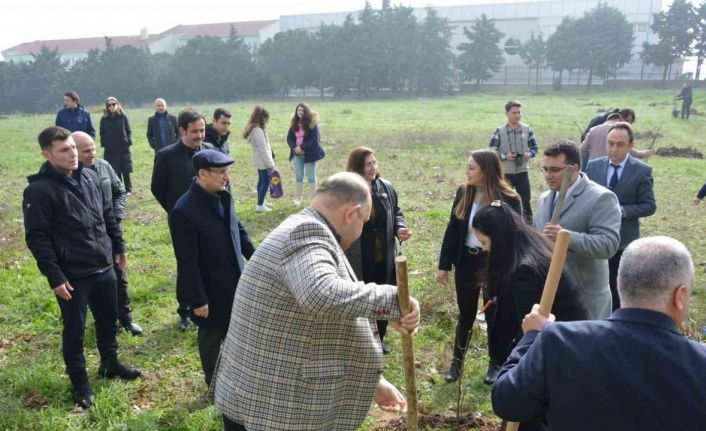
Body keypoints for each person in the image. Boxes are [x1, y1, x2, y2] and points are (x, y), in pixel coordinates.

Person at [213, 172, 421, 431]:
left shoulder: (302, 228)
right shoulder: (307, 233)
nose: (362, 230)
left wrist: (373, 383)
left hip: (262, 397)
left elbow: (310, 325)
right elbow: (321, 295)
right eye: (364, 221)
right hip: (274, 409)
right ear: (351, 214)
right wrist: (395, 300)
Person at [492, 236, 706, 430]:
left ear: (619, 283)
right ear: (680, 295)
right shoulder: (699, 363)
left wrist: (531, 337)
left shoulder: (560, 341)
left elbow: (507, 402)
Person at [23, 127, 140, 409]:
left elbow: (107, 215)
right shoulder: (38, 191)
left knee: (108, 320)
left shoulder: (89, 176)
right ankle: (80, 383)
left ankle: (110, 364)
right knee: (75, 331)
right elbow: (37, 237)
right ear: (47, 154)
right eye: (64, 150)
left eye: (73, 148)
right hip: (72, 275)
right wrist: (55, 276)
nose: (73, 154)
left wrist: (118, 245)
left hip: (103, 264)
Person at [168, 149, 255, 386]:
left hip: (234, 278)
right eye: (221, 172)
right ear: (202, 174)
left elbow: (239, 230)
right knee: (211, 335)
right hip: (209, 287)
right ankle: (213, 382)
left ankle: (235, 373)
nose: (226, 177)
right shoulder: (184, 211)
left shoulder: (224, 195)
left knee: (235, 328)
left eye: (227, 171)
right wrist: (198, 299)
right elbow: (186, 261)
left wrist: (255, 258)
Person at [437, 150, 522, 384]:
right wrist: (444, 265)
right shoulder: (464, 192)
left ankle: (496, 363)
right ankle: (456, 364)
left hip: (494, 263)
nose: (468, 171)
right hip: (467, 260)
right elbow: (453, 229)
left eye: (472, 167)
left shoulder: (509, 198)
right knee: (466, 314)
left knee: (495, 314)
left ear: (486, 171)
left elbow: (517, 234)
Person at [534, 141, 621, 319]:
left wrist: (566, 237)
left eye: (555, 170)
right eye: (545, 169)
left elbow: (608, 245)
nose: (548, 176)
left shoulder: (601, 198)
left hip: (585, 299)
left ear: (573, 168)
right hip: (550, 298)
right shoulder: (543, 199)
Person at [72, 131, 143, 336]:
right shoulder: (70, 175)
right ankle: (100, 317)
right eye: (86, 151)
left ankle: (126, 318)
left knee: (119, 274)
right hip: (84, 238)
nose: (91, 153)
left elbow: (119, 191)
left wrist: (116, 215)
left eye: (93, 148)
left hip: (110, 230)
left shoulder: (104, 166)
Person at [344, 146, 412, 354]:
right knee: (363, 298)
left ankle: (380, 337)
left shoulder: (386, 187)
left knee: (383, 294)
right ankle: (362, 341)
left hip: (384, 256)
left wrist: (399, 228)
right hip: (359, 258)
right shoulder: (348, 192)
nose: (373, 168)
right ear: (358, 167)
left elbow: (396, 211)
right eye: (368, 164)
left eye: (375, 162)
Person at [151, 109, 214, 330]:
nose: (199, 135)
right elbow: (157, 188)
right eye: (195, 131)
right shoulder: (166, 156)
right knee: (187, 263)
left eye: (203, 130)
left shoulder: (209, 151)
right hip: (183, 222)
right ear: (181, 130)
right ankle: (185, 311)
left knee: (210, 260)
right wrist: (176, 211)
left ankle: (208, 302)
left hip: (210, 219)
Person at [586, 122, 656, 310]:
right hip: (597, 238)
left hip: (624, 240)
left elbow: (649, 206)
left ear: (631, 146)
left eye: (620, 144)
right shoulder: (593, 167)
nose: (613, 149)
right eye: (610, 143)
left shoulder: (642, 171)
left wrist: (621, 211)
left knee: (618, 287)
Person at [488, 100, 538, 221]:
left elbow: (534, 147)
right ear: (507, 114)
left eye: (519, 112)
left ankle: (528, 223)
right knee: (502, 200)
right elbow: (491, 152)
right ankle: (500, 221)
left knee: (525, 199)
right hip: (505, 172)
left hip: (522, 171)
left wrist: (529, 154)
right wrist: (505, 156)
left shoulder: (527, 129)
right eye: (514, 113)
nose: (517, 115)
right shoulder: (499, 131)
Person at [580, 109, 651, 170]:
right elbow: (630, 151)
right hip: (611, 167)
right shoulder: (617, 133)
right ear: (620, 120)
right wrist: (645, 153)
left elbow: (582, 149)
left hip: (592, 169)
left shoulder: (593, 129)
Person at [287, 102, 325, 206]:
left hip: (310, 154)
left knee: (311, 177)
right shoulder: (293, 123)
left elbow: (314, 140)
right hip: (296, 154)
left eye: (303, 110)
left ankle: (314, 200)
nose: (300, 112)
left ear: (306, 112)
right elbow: (289, 138)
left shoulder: (312, 123)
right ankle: (298, 198)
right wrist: (295, 148)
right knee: (299, 176)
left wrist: (302, 147)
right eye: (298, 110)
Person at [243, 106, 275, 212]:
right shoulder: (258, 131)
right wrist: (270, 164)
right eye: (266, 118)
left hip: (259, 159)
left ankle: (261, 201)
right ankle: (260, 205)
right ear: (261, 118)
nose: (267, 121)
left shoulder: (256, 129)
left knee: (261, 181)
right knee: (265, 182)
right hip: (263, 160)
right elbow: (263, 149)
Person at [99, 97, 133, 195]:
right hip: (111, 148)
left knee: (125, 169)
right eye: (109, 105)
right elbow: (102, 133)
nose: (112, 106)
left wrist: (128, 141)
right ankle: (119, 188)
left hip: (123, 146)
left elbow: (128, 131)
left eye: (113, 104)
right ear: (107, 107)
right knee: (115, 170)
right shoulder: (104, 119)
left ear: (117, 105)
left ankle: (128, 189)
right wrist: (105, 144)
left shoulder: (123, 117)